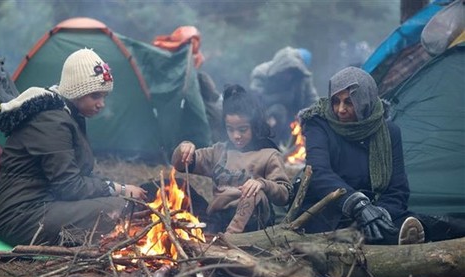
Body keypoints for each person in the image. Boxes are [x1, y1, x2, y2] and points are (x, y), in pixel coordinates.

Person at [0, 48, 147, 247]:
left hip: (43, 204)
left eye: (104, 97)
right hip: (20, 217)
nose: (101, 104)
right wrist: (120, 189)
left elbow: (79, 175)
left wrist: (114, 188)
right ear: (77, 91)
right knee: (121, 208)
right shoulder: (52, 121)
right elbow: (69, 186)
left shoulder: (66, 114)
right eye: (95, 96)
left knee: (123, 207)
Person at [296, 66, 425, 245]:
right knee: (355, 237)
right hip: (327, 212)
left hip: (374, 210)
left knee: (432, 225)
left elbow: (398, 189)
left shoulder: (389, 132)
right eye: (336, 101)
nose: (340, 109)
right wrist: (357, 205)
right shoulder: (318, 124)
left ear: (365, 101)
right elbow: (318, 172)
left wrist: (380, 214)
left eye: (349, 102)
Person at [171, 84, 293, 234]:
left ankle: (231, 238)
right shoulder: (219, 151)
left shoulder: (268, 155)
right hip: (218, 217)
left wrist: (263, 184)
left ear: (254, 126)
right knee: (178, 184)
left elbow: (284, 194)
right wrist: (184, 148)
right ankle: (213, 234)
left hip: (252, 221)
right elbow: (180, 165)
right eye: (230, 129)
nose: (236, 136)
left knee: (254, 194)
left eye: (243, 130)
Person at [250, 46, 319, 147]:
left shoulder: (302, 79)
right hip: (266, 119)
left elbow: (311, 99)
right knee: (279, 110)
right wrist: (281, 98)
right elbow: (254, 100)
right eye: (286, 72)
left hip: (294, 119)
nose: (288, 77)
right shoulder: (261, 74)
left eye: (291, 73)